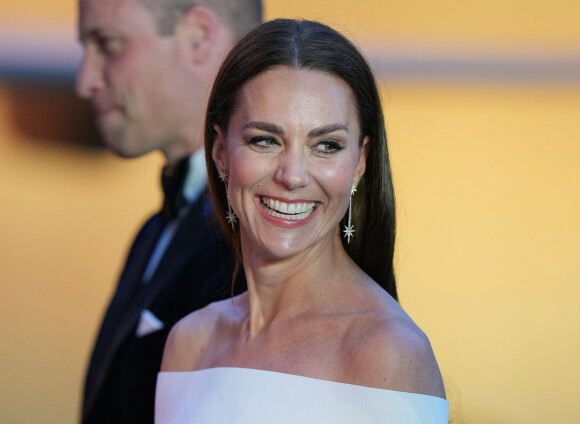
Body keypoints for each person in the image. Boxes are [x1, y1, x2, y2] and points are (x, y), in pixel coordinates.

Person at [157, 18, 448, 423]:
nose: (293, 176)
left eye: (326, 145)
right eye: (265, 140)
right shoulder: (189, 343)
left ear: (361, 161)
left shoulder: (386, 353)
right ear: (221, 152)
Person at [75, 0, 262, 422]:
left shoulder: (264, 241)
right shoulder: (153, 233)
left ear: (198, 37)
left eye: (107, 43)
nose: (84, 81)